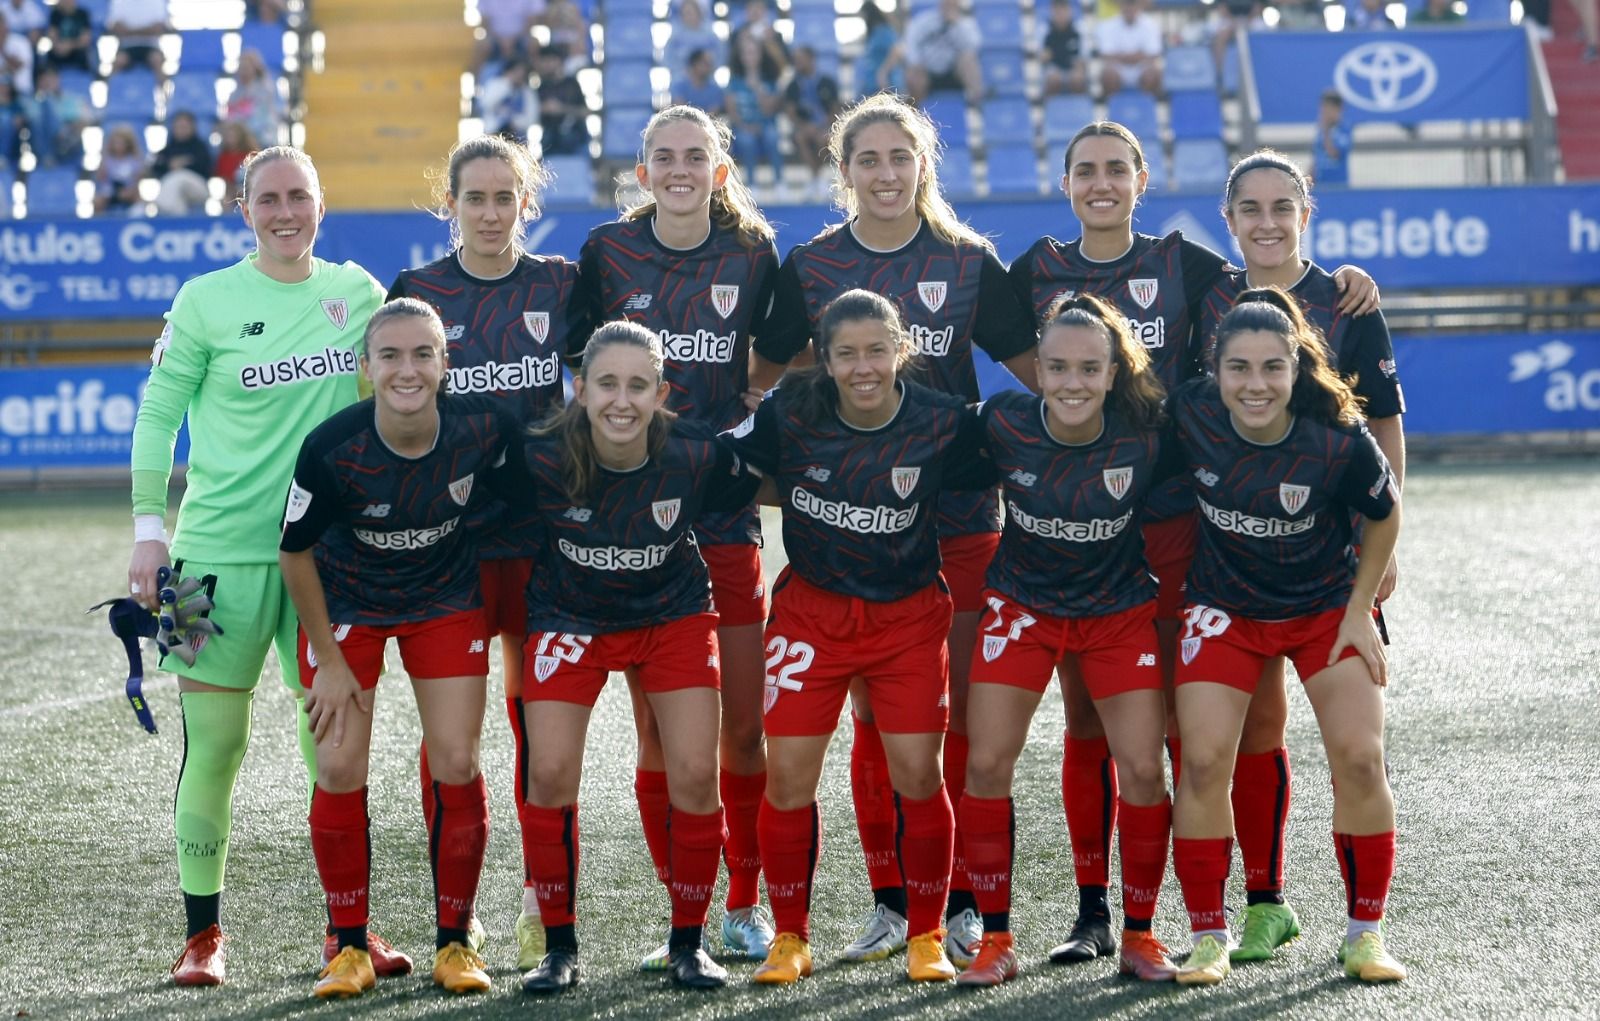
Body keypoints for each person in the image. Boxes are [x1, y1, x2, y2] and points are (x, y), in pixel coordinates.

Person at [1006, 120, 1378, 968]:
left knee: (1215, 722)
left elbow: (1281, 283)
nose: (1101, 183)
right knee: (1091, 716)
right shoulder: (1030, 271)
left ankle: (1255, 899)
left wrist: (1351, 281)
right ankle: (1096, 910)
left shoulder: (1188, 265)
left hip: (1185, 521)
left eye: (1117, 168)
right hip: (1082, 524)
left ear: (1142, 177)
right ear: (1064, 182)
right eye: (1084, 170)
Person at [749, 92, 1039, 969]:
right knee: (873, 719)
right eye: (867, 160)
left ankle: (950, 907)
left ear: (924, 167)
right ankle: (889, 902)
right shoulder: (810, 265)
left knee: (945, 723)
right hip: (851, 537)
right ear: (845, 174)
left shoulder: (967, 259)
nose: (884, 174)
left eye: (899, 158)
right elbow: (765, 378)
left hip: (956, 523)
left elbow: (1041, 374)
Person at [127, 145, 391, 986]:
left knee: (336, 750)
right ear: (245, 211)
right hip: (209, 562)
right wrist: (146, 531)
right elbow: (157, 415)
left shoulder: (359, 296)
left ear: (321, 205)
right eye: (269, 199)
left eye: (300, 197)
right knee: (216, 744)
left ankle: (348, 932)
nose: (285, 212)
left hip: (329, 561)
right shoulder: (204, 300)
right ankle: (202, 936)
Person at [726, 289, 995, 985]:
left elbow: (1020, 465)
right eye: (846, 353)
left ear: (902, 350)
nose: (863, 366)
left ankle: (927, 933)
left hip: (906, 619)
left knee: (917, 773)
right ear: (825, 358)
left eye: (877, 349)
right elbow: (724, 471)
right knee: (787, 778)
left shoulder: (943, 422)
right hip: (812, 617)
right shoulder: (793, 409)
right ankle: (790, 936)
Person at [574, 103, 780, 970]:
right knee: (661, 733)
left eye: (696, 156)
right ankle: (686, 907)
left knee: (742, 726)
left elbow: (775, 360)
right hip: (633, 524)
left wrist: (741, 427)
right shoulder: (606, 254)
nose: (681, 168)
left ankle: (746, 898)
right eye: (665, 156)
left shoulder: (754, 256)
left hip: (723, 519)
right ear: (643, 169)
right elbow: (573, 374)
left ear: (720, 170)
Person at [1190, 149, 1405, 966]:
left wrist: (1384, 549)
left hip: (1331, 563)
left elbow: (1381, 427)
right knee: (1241, 737)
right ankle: (1256, 907)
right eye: (1252, 208)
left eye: (1284, 207)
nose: (1268, 222)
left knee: (1356, 748)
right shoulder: (1201, 292)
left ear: (1305, 213)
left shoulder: (1346, 300)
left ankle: (1365, 931)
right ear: (1230, 217)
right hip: (1226, 565)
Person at [388, 132, 588, 974]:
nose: (492, 211)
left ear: (527, 204)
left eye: (507, 196)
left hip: (546, 546)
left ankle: (549, 918)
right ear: (451, 205)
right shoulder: (418, 293)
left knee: (545, 747)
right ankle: (455, 925)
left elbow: (619, 379)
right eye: (476, 197)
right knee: (454, 749)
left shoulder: (561, 286)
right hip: (456, 552)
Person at [279, 299, 519, 999]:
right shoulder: (331, 448)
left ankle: (455, 939)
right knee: (339, 760)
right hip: (347, 603)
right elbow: (293, 554)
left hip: (443, 598)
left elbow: (516, 501)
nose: (406, 369)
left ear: (445, 364)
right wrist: (326, 658)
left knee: (455, 757)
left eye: (422, 354)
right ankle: (349, 945)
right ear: (366, 368)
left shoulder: (484, 429)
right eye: (390, 356)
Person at [515, 321, 761, 994]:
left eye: (637, 386)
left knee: (691, 770)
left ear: (661, 392)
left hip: (672, 614)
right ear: (580, 388)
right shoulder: (538, 455)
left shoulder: (696, 454)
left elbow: (768, 485)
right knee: (552, 770)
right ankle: (559, 948)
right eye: (606, 384)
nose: (621, 401)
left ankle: (690, 939)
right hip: (569, 617)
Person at [956, 293, 1183, 987]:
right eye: (1056, 367)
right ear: (1038, 370)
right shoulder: (1001, 422)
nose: (1072, 382)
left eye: (1089, 368)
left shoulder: (1150, 431)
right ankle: (995, 939)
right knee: (986, 762)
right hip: (1024, 607)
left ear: (1115, 372)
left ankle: (1140, 934)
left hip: (1117, 611)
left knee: (1143, 768)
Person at [724, 31, 783, 187]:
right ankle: (751, 184)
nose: (750, 57)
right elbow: (732, 112)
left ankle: (779, 181)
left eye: (753, 53)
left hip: (766, 125)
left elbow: (770, 109)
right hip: (744, 127)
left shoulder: (769, 80)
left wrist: (758, 88)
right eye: (746, 53)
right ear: (741, 57)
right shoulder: (734, 82)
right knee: (746, 140)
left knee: (772, 136)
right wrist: (745, 126)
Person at [783, 44, 841, 194]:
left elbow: (835, 109)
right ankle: (817, 178)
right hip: (803, 128)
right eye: (796, 60)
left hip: (825, 127)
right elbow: (791, 113)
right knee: (801, 138)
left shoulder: (827, 82)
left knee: (824, 139)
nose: (798, 63)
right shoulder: (793, 85)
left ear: (811, 59)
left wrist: (822, 126)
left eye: (801, 59)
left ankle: (816, 179)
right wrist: (804, 126)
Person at [902, 0, 984, 103]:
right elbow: (910, 44)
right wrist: (916, 64)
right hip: (927, 71)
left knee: (968, 61)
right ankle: (913, 110)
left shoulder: (966, 24)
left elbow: (973, 47)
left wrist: (956, 24)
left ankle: (976, 104)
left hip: (954, 72)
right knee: (913, 72)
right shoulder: (923, 21)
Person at [151, 109, 214, 216]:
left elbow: (207, 167)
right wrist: (170, 165)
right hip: (173, 190)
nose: (181, 130)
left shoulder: (200, 147)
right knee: (175, 191)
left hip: (199, 189)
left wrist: (184, 164)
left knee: (178, 177)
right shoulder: (168, 149)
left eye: (185, 127)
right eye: (178, 127)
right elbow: (156, 168)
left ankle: (163, 209)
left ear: (192, 127)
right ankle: (180, 219)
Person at [1095, 0, 1163, 97]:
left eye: (1133, 5)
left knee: (1153, 74)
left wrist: (1123, 56)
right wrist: (1137, 56)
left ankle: (1144, 107)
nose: (1130, 9)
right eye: (1127, 4)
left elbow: (1154, 54)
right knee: (1108, 75)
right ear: (1121, 6)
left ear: (1139, 6)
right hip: (1118, 68)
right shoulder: (1107, 25)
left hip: (1141, 67)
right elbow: (1106, 55)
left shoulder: (1150, 25)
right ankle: (1114, 107)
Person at [24, 64, 88, 166]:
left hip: (68, 141)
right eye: (44, 80)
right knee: (43, 108)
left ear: (58, 80)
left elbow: (85, 120)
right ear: (38, 82)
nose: (48, 83)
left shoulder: (73, 99)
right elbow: (30, 121)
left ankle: (48, 155)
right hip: (41, 141)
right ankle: (47, 156)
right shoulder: (30, 102)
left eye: (51, 79)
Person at [534, 44, 587, 155]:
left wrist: (562, 109)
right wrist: (541, 109)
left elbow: (585, 112)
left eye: (550, 60)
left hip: (573, 135)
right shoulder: (541, 87)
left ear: (559, 61)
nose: (546, 65)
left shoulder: (572, 84)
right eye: (544, 61)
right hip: (549, 139)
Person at [226, 48, 281, 145]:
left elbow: (265, 120)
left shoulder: (266, 91)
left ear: (255, 69)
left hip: (261, 139)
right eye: (241, 67)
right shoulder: (234, 95)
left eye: (246, 67)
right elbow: (230, 118)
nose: (243, 71)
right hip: (238, 140)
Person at [107, 0, 170, 77]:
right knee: (118, 61)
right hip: (127, 46)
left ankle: (165, 88)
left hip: (151, 46)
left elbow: (159, 28)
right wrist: (146, 31)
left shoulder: (157, 2)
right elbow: (116, 27)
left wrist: (130, 31)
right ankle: (111, 88)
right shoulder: (119, 2)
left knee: (157, 60)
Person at [94, 121, 146, 214]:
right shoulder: (106, 161)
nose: (118, 146)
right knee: (97, 201)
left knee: (139, 199)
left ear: (128, 144)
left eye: (121, 143)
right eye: (116, 142)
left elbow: (137, 181)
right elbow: (101, 180)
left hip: (128, 191)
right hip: (109, 192)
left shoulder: (134, 161)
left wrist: (128, 191)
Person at [857, 1, 906, 96]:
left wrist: (883, 73)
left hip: (886, 84)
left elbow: (896, 51)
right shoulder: (872, 34)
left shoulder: (884, 30)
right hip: (872, 85)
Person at [1041, 0, 1088, 96]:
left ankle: (1080, 107)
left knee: (1077, 79)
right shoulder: (1044, 31)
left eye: (1063, 10)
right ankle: (1051, 108)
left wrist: (1079, 67)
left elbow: (1084, 57)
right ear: (1052, 12)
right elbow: (1043, 58)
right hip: (1053, 69)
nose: (1060, 14)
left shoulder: (1080, 29)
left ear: (1070, 11)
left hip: (1074, 68)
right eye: (1057, 11)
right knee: (1053, 79)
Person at [213, 118, 258, 208]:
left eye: (234, 135)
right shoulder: (223, 156)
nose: (231, 139)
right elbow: (220, 178)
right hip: (228, 192)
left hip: (248, 190)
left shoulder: (251, 155)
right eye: (229, 136)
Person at [1312, 89, 1350, 187]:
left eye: (1326, 108)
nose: (1323, 112)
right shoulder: (1321, 131)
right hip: (1320, 186)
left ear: (1337, 109)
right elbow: (1316, 159)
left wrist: (1325, 131)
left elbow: (1334, 154)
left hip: (1337, 187)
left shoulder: (1344, 130)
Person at [43, 0, 94, 73]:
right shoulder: (55, 14)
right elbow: (52, 36)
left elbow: (86, 39)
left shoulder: (83, 14)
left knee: (85, 54)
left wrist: (69, 46)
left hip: (77, 50)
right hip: (60, 49)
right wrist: (59, 46)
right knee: (50, 55)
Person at [671, 47, 725, 115]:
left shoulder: (716, 90)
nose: (710, 67)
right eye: (706, 63)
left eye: (711, 64)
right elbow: (681, 113)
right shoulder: (679, 87)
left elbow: (711, 116)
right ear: (694, 64)